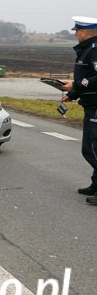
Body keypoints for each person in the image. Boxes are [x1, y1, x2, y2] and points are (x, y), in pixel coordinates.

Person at [60, 16, 97, 204]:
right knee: (91, 148)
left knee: (91, 149)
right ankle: (95, 184)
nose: (75, 34)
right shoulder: (87, 49)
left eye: (76, 31)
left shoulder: (95, 49)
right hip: (91, 103)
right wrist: (73, 94)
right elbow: (89, 78)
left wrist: (74, 85)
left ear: (84, 32)